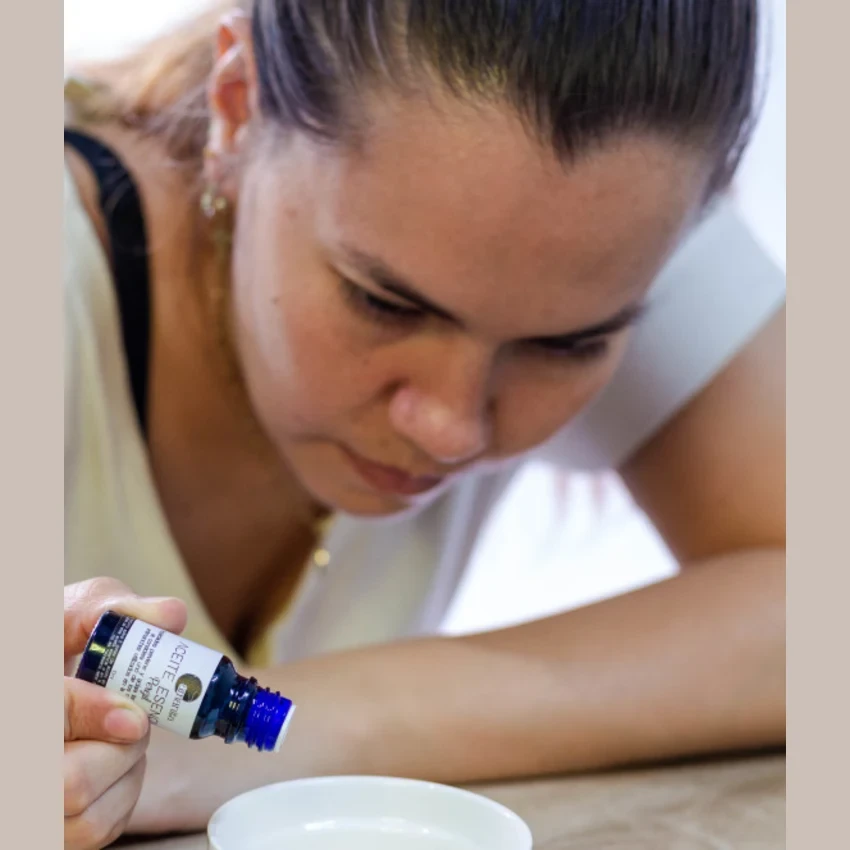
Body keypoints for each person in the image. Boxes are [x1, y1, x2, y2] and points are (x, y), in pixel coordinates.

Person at [63, 0, 785, 845]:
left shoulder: (613, 207)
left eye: (568, 343)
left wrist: (269, 738)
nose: (451, 432)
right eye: (384, 302)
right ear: (236, 108)